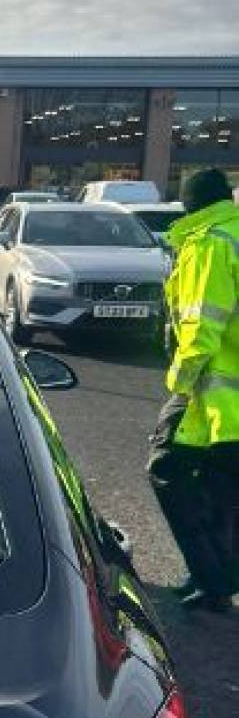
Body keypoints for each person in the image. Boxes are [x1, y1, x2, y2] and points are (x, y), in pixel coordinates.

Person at [148, 167, 239, 613]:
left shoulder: (209, 242)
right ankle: (215, 577)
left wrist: (178, 385)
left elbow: (201, 327)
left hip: (215, 397)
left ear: (190, 202)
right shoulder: (232, 233)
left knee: (166, 467)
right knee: (221, 488)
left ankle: (213, 577)